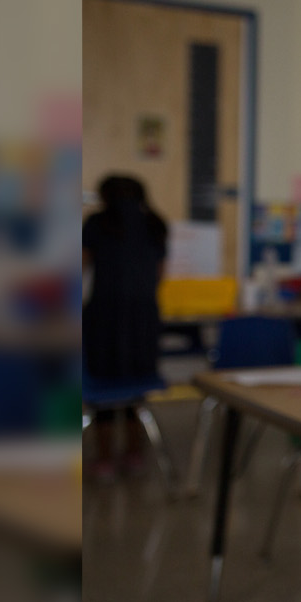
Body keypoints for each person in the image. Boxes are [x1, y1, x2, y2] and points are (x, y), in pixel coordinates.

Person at [82, 174, 168, 473]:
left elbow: (81, 265)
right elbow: (159, 273)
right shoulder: (156, 224)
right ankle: (135, 455)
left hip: (104, 316)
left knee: (102, 389)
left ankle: (104, 459)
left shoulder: (97, 223)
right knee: (135, 391)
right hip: (144, 317)